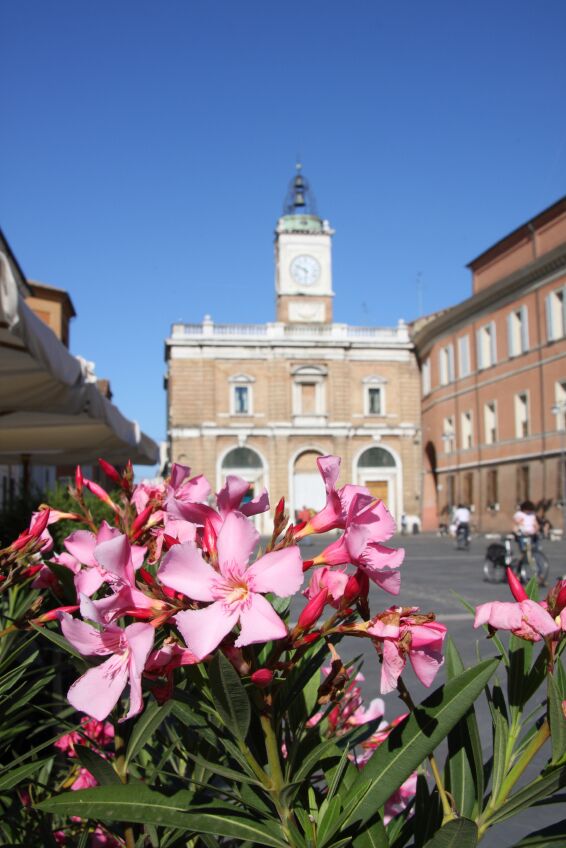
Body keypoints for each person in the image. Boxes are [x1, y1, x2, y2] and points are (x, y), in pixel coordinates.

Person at [513, 500, 546, 585]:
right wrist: (519, 526)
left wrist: (536, 529)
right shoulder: (519, 514)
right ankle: (518, 573)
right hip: (523, 536)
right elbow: (517, 523)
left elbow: (536, 524)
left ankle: (540, 575)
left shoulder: (532, 515)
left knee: (535, 554)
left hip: (532, 536)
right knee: (524, 553)